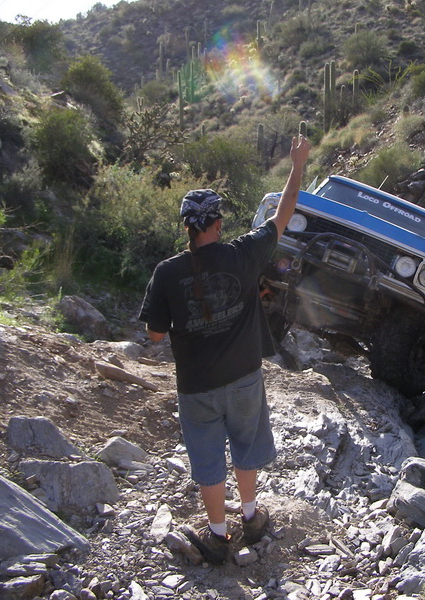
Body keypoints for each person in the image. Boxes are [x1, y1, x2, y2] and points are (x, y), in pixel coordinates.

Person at [138, 134, 310, 565]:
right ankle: (251, 518)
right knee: (246, 446)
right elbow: (284, 212)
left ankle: (217, 537)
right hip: (244, 376)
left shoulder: (166, 272)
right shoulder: (244, 253)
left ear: (186, 228)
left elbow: (155, 337)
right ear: (216, 224)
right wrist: (298, 164)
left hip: (196, 386)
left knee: (208, 458)